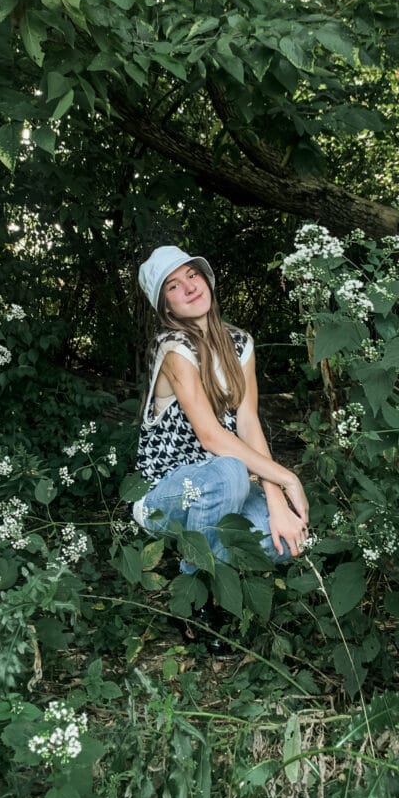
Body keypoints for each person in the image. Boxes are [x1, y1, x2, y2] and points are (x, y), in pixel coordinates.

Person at [134, 245, 309, 573]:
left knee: (284, 539)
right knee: (230, 471)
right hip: (167, 494)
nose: (189, 287)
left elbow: (248, 422)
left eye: (192, 275)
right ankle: (196, 578)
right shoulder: (172, 348)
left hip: (228, 488)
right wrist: (288, 478)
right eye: (173, 286)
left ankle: (203, 549)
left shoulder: (240, 343)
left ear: (206, 279)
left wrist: (276, 500)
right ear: (166, 307)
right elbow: (211, 437)